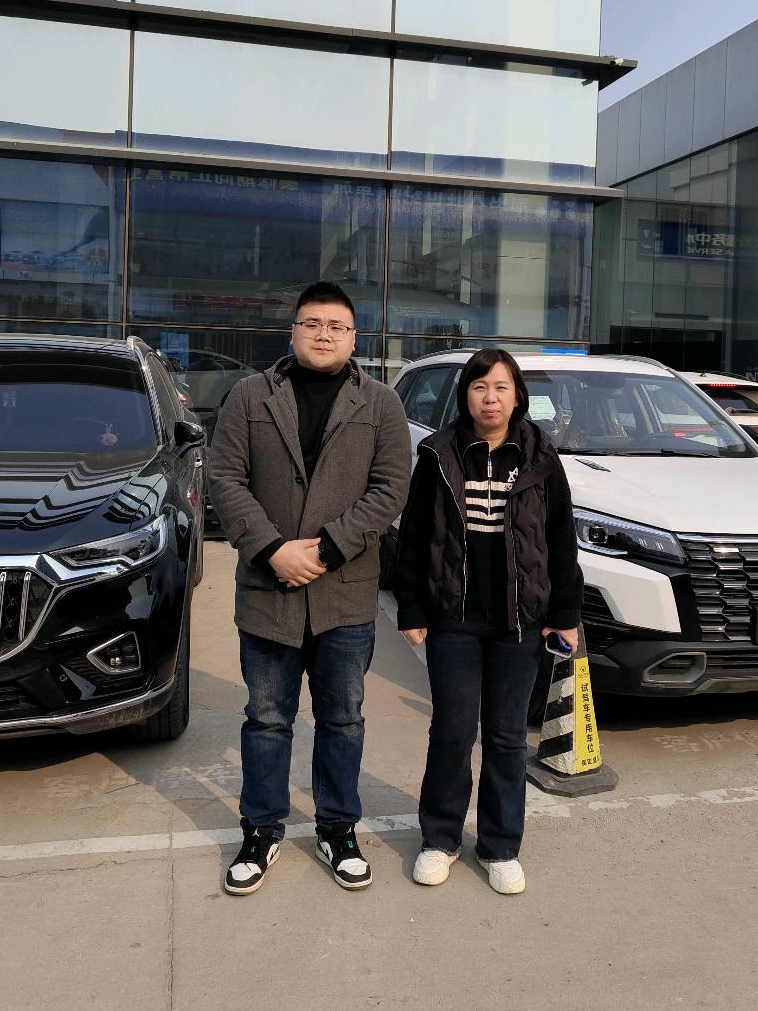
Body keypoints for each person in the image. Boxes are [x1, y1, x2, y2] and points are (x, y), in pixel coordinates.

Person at [210, 282, 411, 895]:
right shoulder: (250, 396)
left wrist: (324, 548)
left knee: (342, 719)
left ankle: (337, 828)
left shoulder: (380, 404)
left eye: (336, 326)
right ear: (293, 330)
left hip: (344, 593)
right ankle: (261, 829)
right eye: (313, 323)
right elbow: (224, 477)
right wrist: (273, 549)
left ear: (354, 337)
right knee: (267, 719)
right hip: (267, 590)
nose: (324, 334)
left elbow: (390, 489)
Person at [393, 347, 583, 895]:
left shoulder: (541, 457)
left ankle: (501, 846)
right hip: (453, 619)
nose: (490, 398)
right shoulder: (439, 454)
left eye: (501, 387)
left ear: (518, 395)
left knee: (505, 737)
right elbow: (414, 536)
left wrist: (564, 614)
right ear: (466, 395)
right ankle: (440, 838)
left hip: (518, 623)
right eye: (479, 387)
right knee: (452, 731)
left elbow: (560, 539)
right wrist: (413, 606)